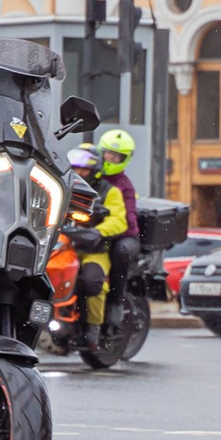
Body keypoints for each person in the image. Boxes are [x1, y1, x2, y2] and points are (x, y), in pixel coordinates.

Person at [55, 144, 130, 338]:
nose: (79, 172)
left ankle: (93, 329)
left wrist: (98, 232)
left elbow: (119, 220)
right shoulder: (62, 186)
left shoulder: (109, 191)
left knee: (92, 281)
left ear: (95, 171)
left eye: (84, 168)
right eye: (76, 167)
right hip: (60, 248)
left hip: (94, 251)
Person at [94, 126, 142, 323]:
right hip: (94, 230)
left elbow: (127, 220)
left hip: (124, 235)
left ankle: (115, 302)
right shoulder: (90, 175)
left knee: (120, 252)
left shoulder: (124, 185)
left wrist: (108, 222)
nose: (111, 158)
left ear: (125, 159)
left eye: (117, 156)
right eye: (108, 153)